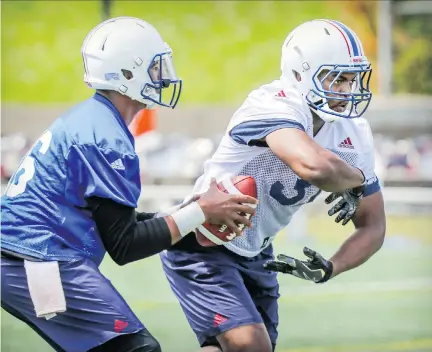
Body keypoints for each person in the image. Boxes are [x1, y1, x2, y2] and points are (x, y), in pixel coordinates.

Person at [1, 17, 257, 352]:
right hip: (38, 260)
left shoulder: (95, 120)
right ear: (126, 74)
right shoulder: (106, 137)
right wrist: (200, 210)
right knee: (135, 348)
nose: (163, 76)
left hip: (28, 257)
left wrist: (188, 215)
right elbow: (124, 245)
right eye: (155, 67)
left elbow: (117, 221)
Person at [160, 19, 386, 352]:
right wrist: (357, 178)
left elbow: (374, 225)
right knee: (252, 346)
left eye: (351, 79)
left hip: (255, 250)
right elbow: (313, 166)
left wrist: (331, 267)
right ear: (299, 75)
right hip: (203, 240)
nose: (346, 91)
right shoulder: (273, 102)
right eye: (335, 79)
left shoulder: (353, 132)